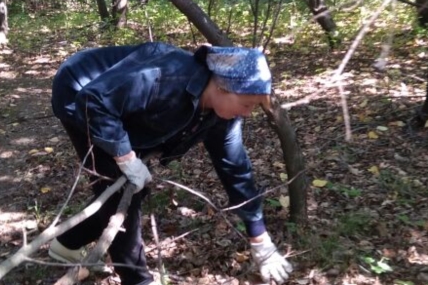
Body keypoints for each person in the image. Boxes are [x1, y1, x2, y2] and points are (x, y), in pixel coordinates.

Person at [49, 42, 293, 285]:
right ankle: (137, 280)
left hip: (121, 106)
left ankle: (67, 244)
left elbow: (235, 169)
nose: (248, 113)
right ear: (222, 88)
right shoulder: (165, 78)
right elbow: (94, 102)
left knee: (135, 187)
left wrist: (260, 239)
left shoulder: (222, 117)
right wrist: (125, 156)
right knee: (123, 192)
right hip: (80, 89)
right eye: (247, 104)